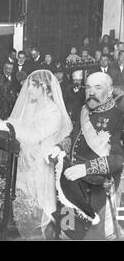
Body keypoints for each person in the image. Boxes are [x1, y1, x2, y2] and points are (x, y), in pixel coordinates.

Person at [0, 69, 73, 239]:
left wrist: (9, 128)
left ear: (46, 89)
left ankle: (36, 222)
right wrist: (4, 123)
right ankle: (15, 215)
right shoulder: (32, 105)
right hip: (26, 155)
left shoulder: (54, 112)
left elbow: (34, 136)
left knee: (32, 199)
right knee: (14, 186)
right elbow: (19, 123)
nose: (29, 90)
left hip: (42, 160)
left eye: (34, 86)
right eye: (30, 85)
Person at [49, 72, 124, 240]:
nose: (91, 92)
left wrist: (86, 168)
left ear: (110, 91)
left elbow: (119, 159)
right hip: (71, 180)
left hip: (97, 185)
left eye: (98, 87)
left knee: (92, 236)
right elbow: (74, 136)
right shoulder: (83, 109)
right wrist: (60, 146)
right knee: (66, 232)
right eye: (88, 87)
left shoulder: (119, 117)